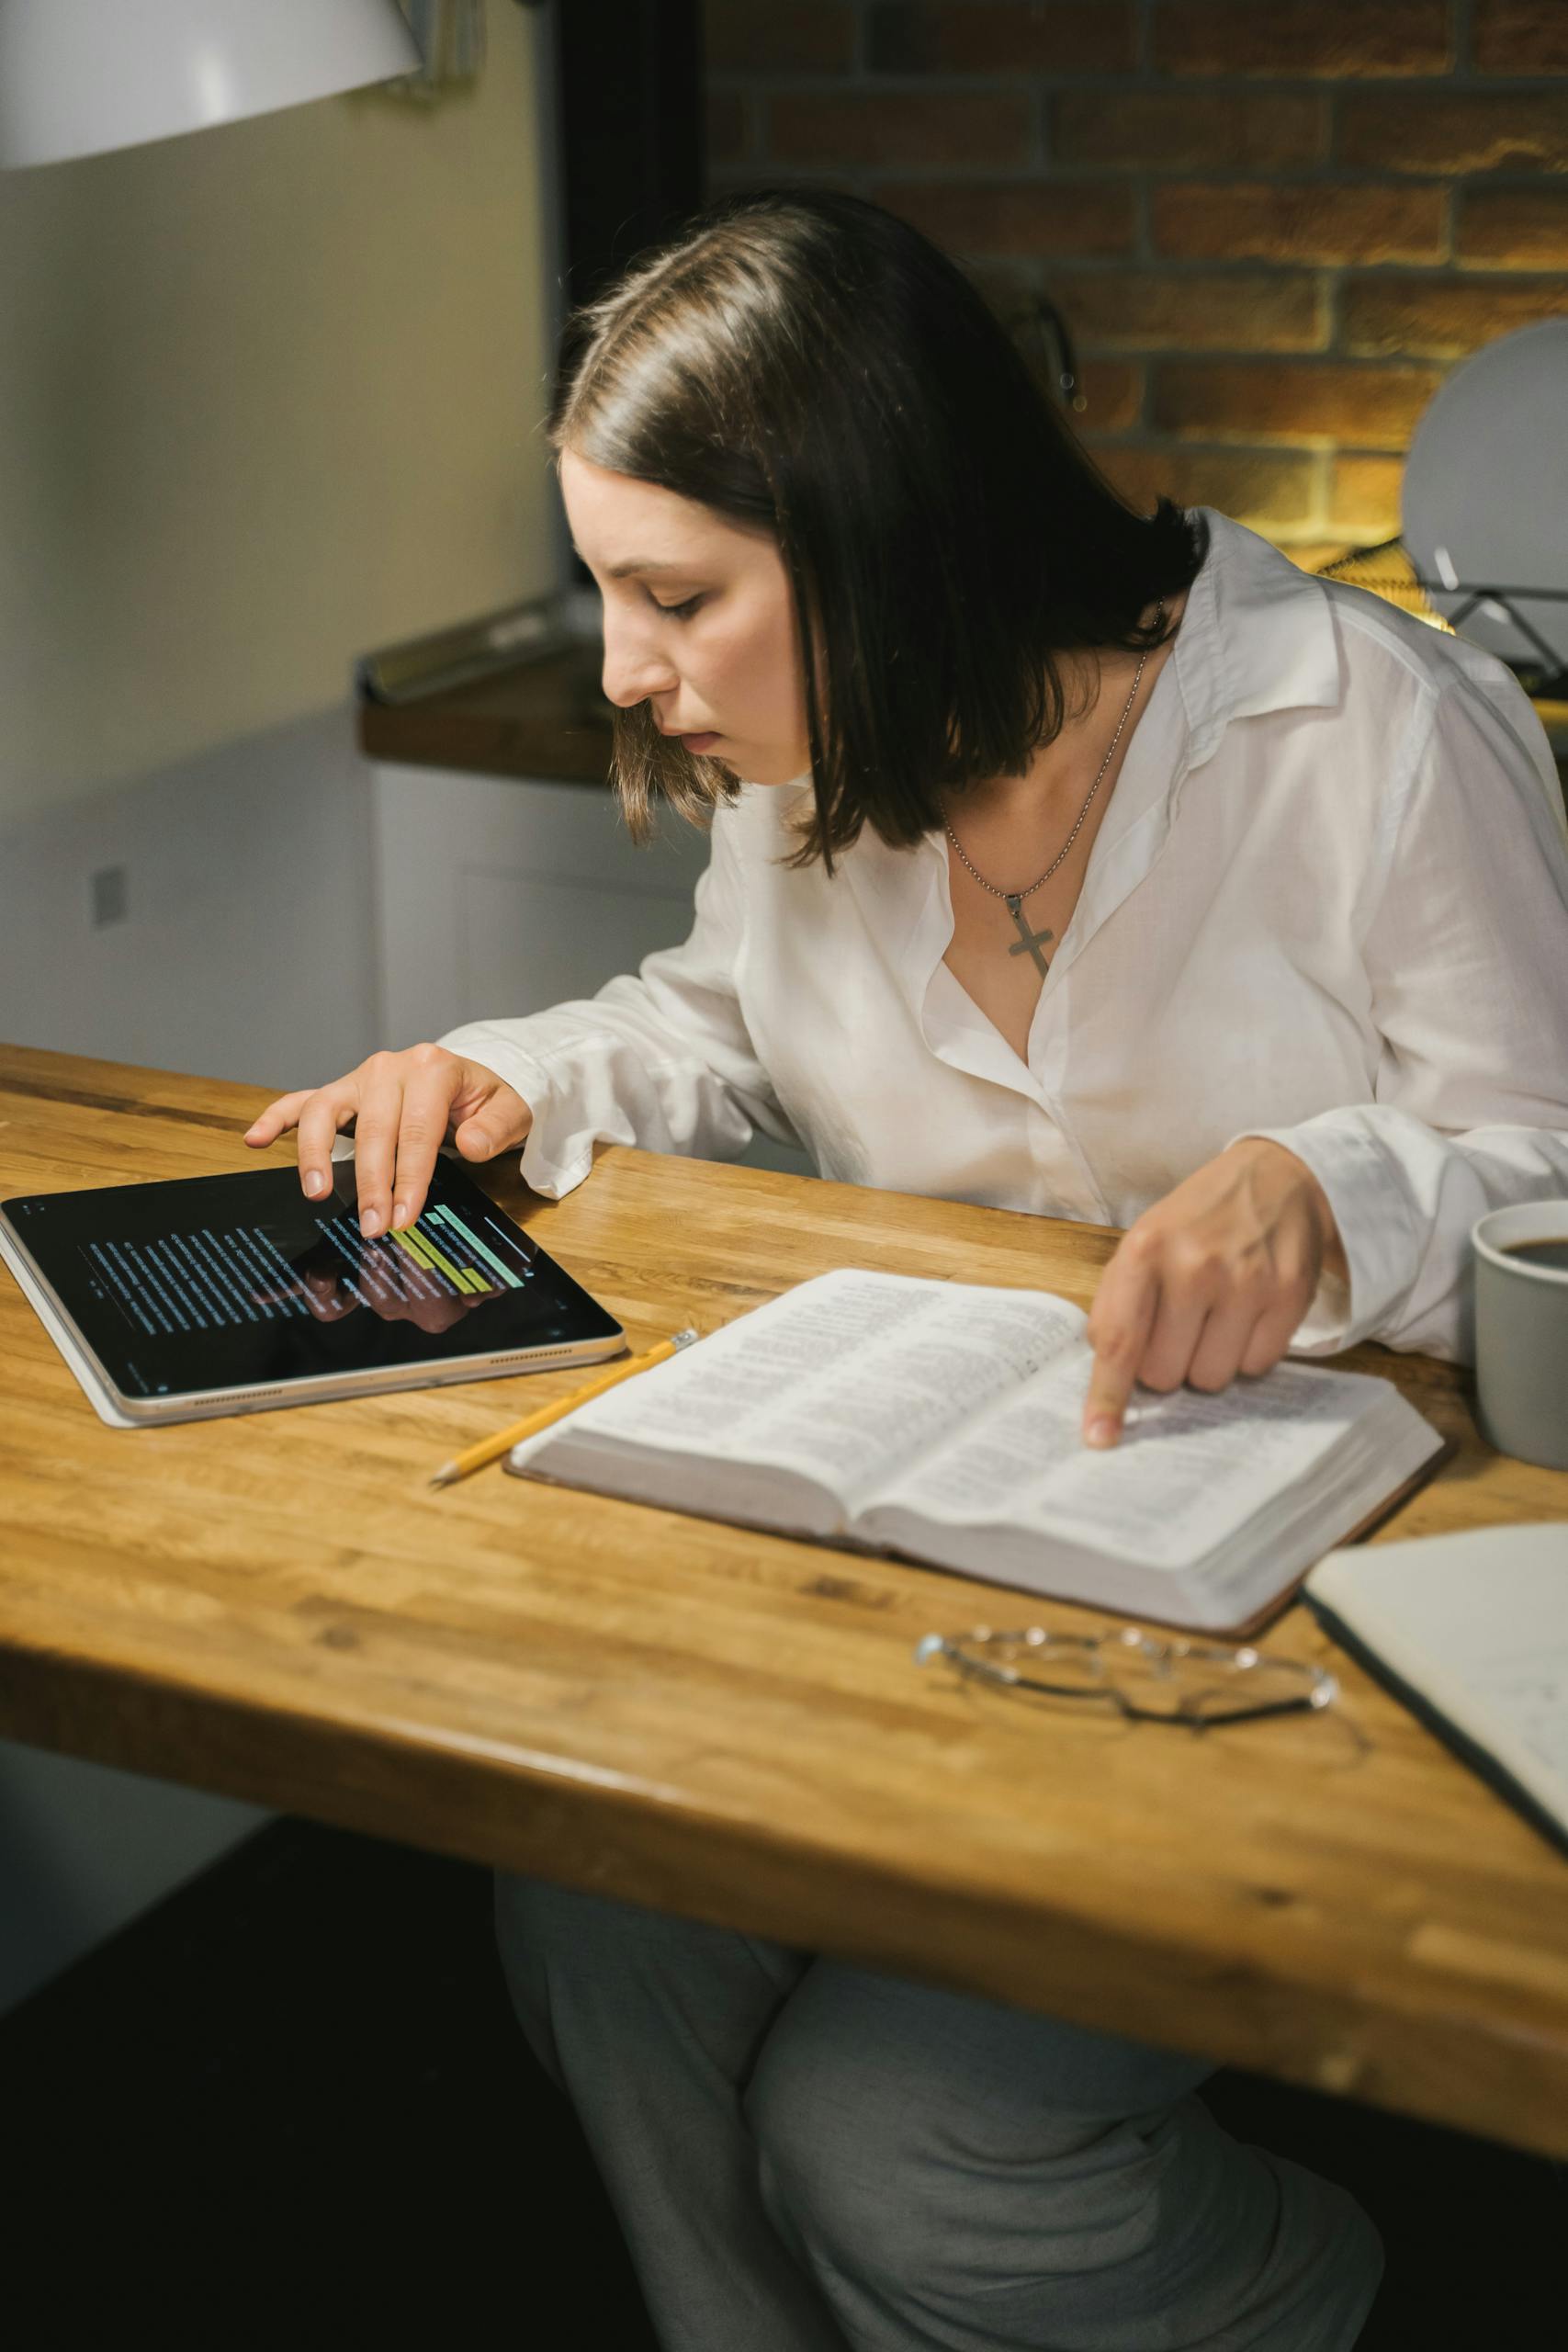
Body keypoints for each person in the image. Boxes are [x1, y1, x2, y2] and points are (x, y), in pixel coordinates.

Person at [245, 191, 1568, 2348]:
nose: (619, 666)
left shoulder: (1370, 729)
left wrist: (1327, 1186)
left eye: (672, 594)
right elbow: (708, 1025)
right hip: (934, 1579)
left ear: (880, 533)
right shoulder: (806, 782)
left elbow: (1548, 1157)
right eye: (605, 589)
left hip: (1297, 1611)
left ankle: (1319, 2293)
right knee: (591, 1921)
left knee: (889, 2134)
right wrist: (491, 1072)